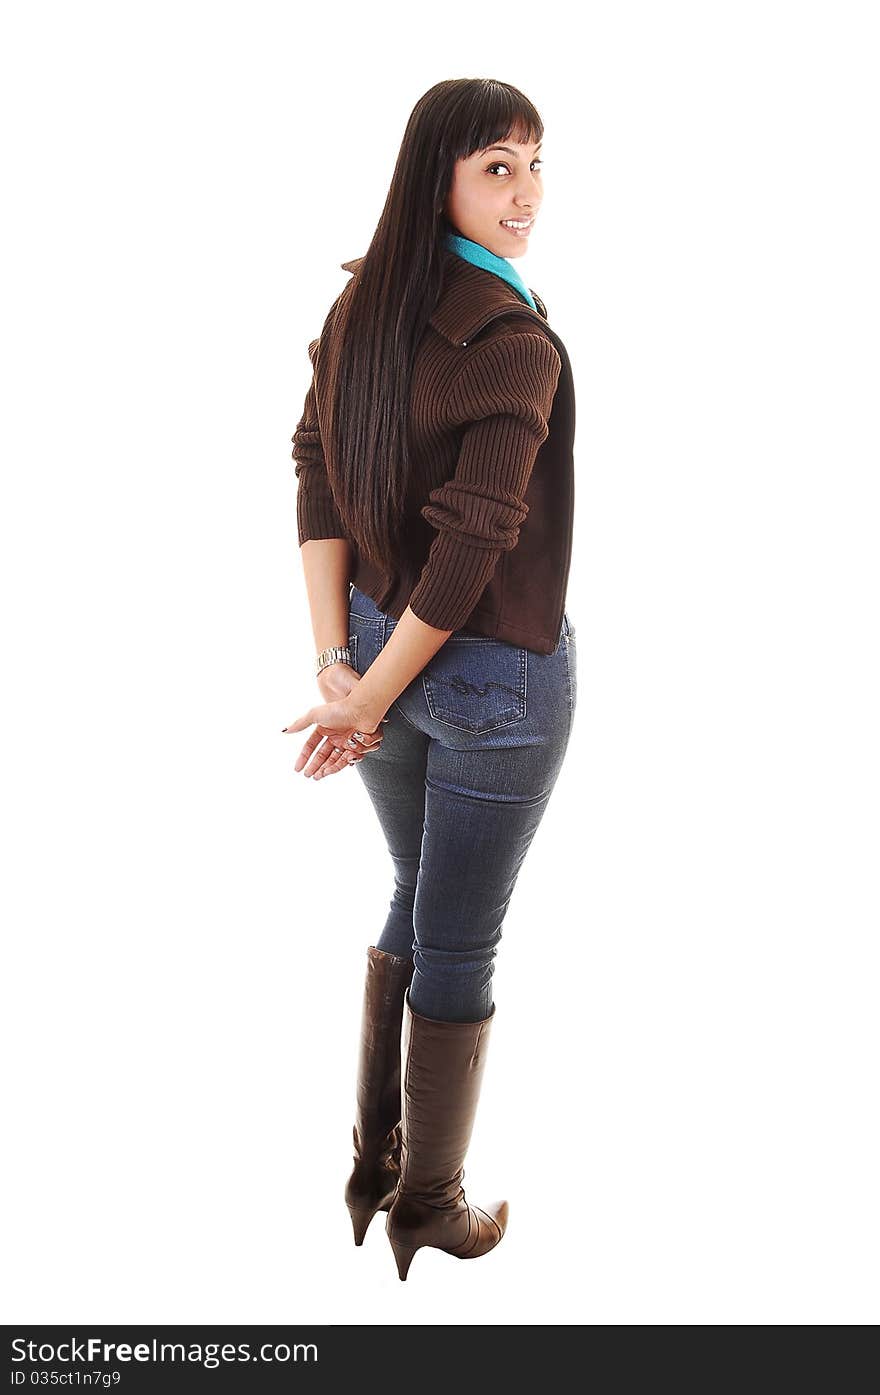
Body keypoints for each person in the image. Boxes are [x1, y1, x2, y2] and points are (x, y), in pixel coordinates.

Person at [282, 78, 578, 1281]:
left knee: (416, 888)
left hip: (378, 657)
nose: (524, 194)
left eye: (534, 165)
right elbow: (473, 544)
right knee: (461, 938)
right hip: (489, 679)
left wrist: (346, 665)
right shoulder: (512, 344)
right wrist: (348, 686)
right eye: (495, 167)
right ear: (437, 176)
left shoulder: (364, 305)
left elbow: (315, 475)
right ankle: (429, 1205)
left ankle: (375, 1160)